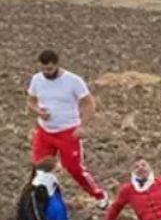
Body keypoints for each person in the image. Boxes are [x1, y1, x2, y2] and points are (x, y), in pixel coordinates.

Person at [26, 49, 108, 207]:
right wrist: (38, 112)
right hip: (45, 132)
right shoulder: (37, 79)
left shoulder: (73, 81)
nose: (46, 72)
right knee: (39, 167)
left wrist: (83, 125)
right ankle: (38, 201)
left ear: (57, 64)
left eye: (49, 69)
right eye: (43, 69)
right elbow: (31, 100)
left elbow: (89, 103)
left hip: (68, 132)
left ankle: (99, 195)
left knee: (74, 168)